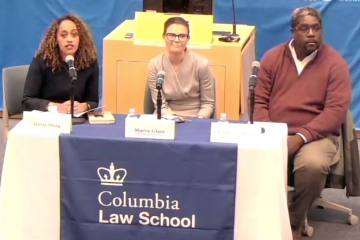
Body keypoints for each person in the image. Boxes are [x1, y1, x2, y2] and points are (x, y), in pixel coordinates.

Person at [253, 7, 352, 240]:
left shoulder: (335, 64)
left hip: (317, 135)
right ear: (292, 31)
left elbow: (335, 111)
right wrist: (270, 133)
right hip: (274, 131)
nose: (311, 34)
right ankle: (256, 217)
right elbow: (259, 101)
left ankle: (294, 222)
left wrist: (300, 138)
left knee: (313, 164)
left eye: (316, 28)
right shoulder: (272, 57)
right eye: (304, 28)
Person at [22, 13, 99, 114]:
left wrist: (84, 106)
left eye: (74, 34)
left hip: (77, 120)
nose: (69, 39)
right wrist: (54, 107)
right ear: (56, 39)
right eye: (63, 35)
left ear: (80, 39)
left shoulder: (90, 62)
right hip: (47, 120)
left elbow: (93, 101)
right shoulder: (42, 60)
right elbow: (27, 100)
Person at [148, 17, 215, 118]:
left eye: (182, 36)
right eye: (171, 35)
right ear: (164, 37)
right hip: (165, 116)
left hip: (195, 117)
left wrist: (200, 119)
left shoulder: (201, 64)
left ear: (188, 39)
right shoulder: (155, 64)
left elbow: (208, 103)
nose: (176, 40)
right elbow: (160, 105)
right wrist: (174, 119)